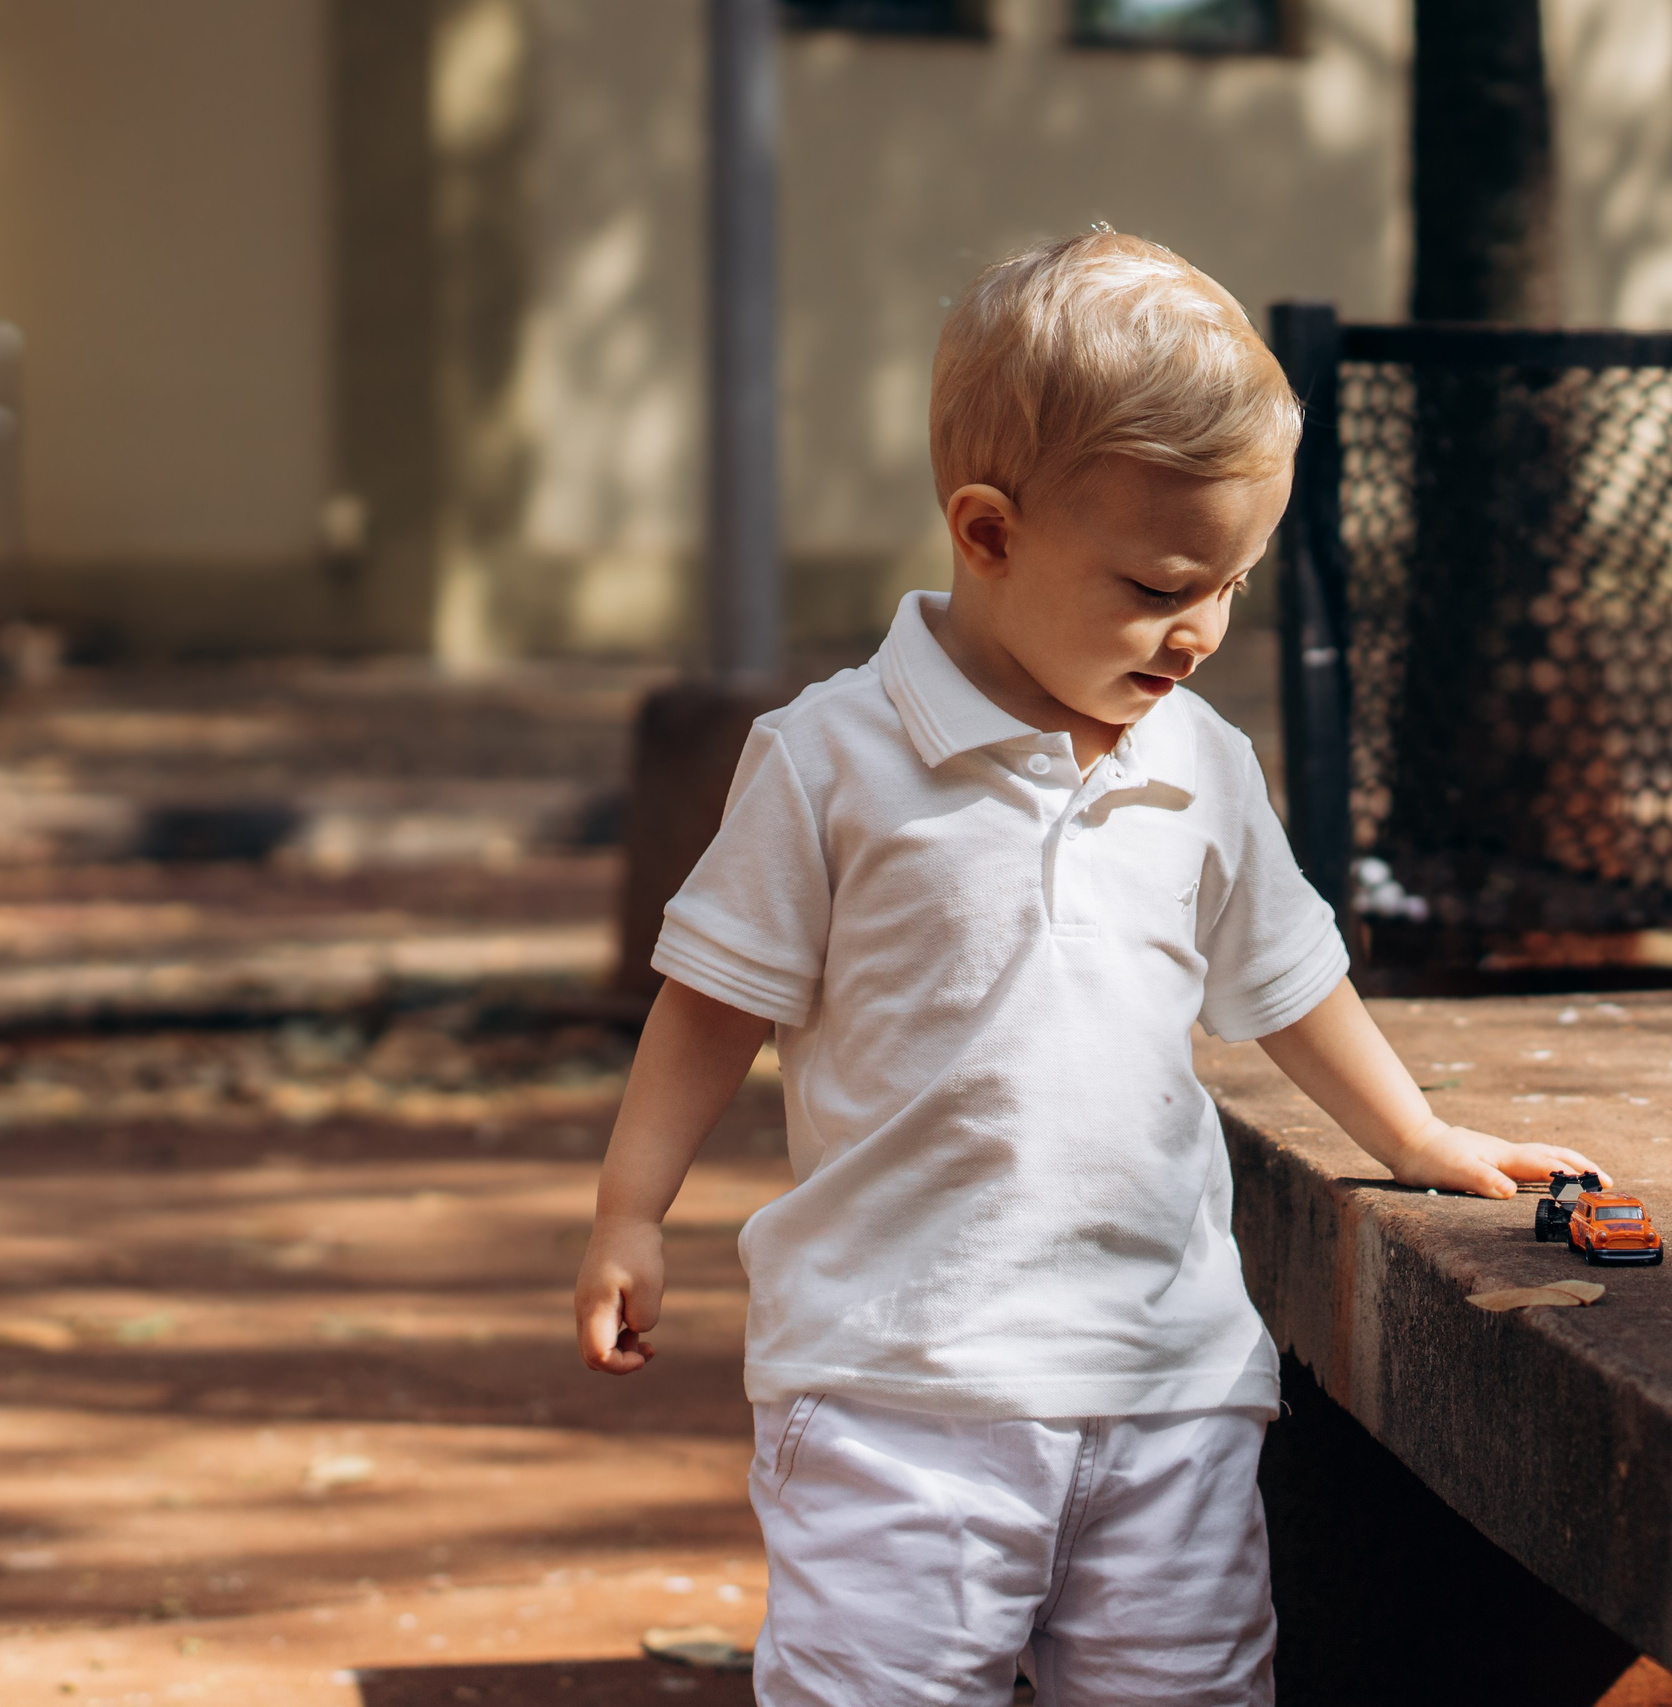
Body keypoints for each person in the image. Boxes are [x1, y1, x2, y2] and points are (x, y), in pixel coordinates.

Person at [572, 229, 1607, 1707]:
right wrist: (630, 1211)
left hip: (1169, 1380)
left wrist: (1419, 1136)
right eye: (1157, 583)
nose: (1199, 632)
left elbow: (1291, 979)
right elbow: (711, 1003)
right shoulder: (831, 761)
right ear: (986, 533)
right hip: (899, 1391)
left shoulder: (1203, 763)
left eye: (1232, 584)